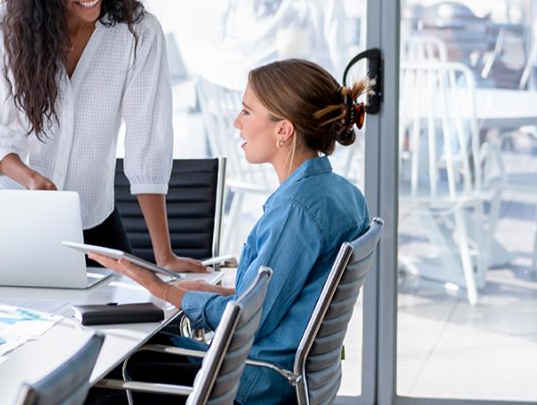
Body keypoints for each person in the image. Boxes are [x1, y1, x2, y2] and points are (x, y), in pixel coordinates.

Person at [91, 59, 371, 404]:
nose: (237, 123)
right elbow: (288, 296)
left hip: (255, 380)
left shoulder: (295, 212)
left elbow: (250, 320)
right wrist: (217, 294)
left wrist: (163, 290)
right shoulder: (344, 195)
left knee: (109, 373)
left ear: (283, 130)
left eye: (247, 112)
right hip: (287, 375)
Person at [0, 0, 204, 272]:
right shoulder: (2, 29)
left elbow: (147, 143)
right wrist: (29, 178)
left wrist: (164, 254)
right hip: (3, 198)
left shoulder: (137, 35)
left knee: (130, 314)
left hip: (90, 212)